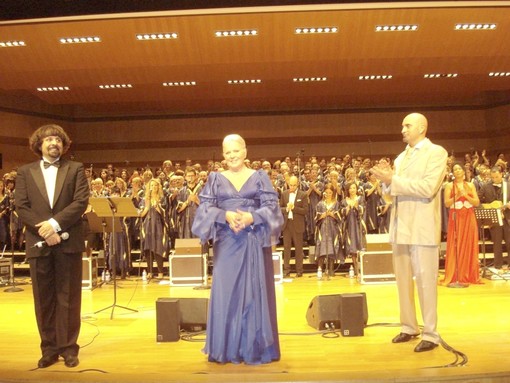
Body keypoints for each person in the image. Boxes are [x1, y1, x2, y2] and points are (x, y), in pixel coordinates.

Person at [192, 134, 283, 364]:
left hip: (253, 242)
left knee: (254, 294)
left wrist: (253, 216)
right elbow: (204, 210)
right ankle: (226, 349)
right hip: (227, 242)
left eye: (236, 151)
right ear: (223, 155)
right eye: (227, 152)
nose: (232, 156)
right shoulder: (215, 178)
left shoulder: (260, 177)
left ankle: (253, 349)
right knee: (226, 294)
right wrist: (225, 215)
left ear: (245, 151)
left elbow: (273, 208)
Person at [371, 113, 447, 353]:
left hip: (422, 228)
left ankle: (431, 334)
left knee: (426, 282)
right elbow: (390, 196)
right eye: (402, 125)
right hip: (400, 226)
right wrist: (385, 182)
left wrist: (393, 179)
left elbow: (427, 188)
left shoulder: (436, 153)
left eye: (407, 125)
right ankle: (409, 326)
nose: (402, 129)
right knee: (402, 281)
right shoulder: (401, 157)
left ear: (422, 128)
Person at [15, 124, 89, 368]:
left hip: (68, 240)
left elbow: (80, 202)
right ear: (39, 144)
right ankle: (49, 348)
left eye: (57, 138)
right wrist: (45, 231)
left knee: (68, 297)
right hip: (39, 242)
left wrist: (55, 225)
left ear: (64, 144)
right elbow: (22, 207)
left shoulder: (76, 169)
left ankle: (69, 348)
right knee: (43, 299)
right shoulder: (25, 172)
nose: (53, 142)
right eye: (48, 139)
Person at [442, 162, 481, 285]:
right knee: (456, 244)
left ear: (464, 171)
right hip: (456, 217)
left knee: (469, 244)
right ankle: (456, 275)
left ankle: (468, 274)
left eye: (459, 168)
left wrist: (466, 196)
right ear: (453, 173)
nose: (457, 171)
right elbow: (447, 203)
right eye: (455, 169)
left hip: (469, 217)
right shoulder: (449, 186)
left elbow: (477, 202)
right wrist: (459, 194)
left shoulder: (470, 185)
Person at [478, 166, 510, 270]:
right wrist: (489, 206)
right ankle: (498, 266)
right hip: (494, 217)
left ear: (501, 174)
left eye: (496, 177)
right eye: (492, 177)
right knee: (496, 243)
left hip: (507, 217)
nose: (494, 179)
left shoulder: (508, 185)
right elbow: (477, 200)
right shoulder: (485, 186)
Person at [280, 175, 308, 277]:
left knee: (298, 249)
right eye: (290, 185)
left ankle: (299, 271)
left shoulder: (303, 195)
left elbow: (305, 211)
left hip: (297, 225)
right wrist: (286, 209)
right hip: (287, 225)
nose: (292, 187)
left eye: (294, 185)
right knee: (286, 249)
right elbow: (280, 208)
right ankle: (286, 270)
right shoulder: (284, 194)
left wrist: (294, 208)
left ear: (298, 184)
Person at [314, 183, 344, 279]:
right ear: (324, 193)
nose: (328, 194)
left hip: (333, 229)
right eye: (326, 192)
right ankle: (320, 269)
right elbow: (316, 217)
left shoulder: (336, 204)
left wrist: (332, 214)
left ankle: (331, 268)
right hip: (323, 228)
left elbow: (340, 217)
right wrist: (322, 216)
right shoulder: (320, 204)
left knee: (332, 247)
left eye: (330, 192)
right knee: (322, 246)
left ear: (333, 193)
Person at [140, 178, 167, 279]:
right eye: (151, 186)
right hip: (148, 225)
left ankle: (160, 271)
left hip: (158, 225)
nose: (153, 187)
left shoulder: (162, 198)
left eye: (155, 185)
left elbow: (164, 213)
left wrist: (157, 207)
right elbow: (141, 215)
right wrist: (146, 208)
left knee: (158, 247)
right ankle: (149, 271)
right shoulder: (144, 200)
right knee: (148, 248)